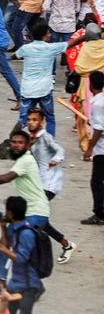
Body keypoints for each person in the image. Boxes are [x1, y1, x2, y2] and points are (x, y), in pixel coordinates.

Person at [0, 130, 68, 289]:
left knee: (12, 246)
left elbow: (6, 178)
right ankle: (4, 282)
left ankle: (14, 283)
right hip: (31, 212)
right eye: (14, 142)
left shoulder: (26, 160)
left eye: (20, 142)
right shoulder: (22, 160)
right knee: (6, 243)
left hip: (36, 212)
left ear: (27, 145)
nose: (15, 145)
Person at [15, 19, 85, 134]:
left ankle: (16, 141)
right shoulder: (51, 48)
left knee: (23, 119)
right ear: (44, 36)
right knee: (50, 118)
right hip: (44, 89)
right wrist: (86, 35)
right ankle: (50, 144)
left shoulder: (25, 48)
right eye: (48, 33)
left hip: (28, 89)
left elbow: (16, 55)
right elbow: (72, 43)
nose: (50, 35)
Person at [25, 107, 76, 263]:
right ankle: (66, 244)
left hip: (50, 182)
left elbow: (59, 150)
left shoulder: (45, 137)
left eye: (35, 120)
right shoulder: (30, 136)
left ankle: (35, 252)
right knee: (40, 220)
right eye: (29, 119)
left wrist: (55, 160)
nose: (31, 122)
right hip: (39, 183)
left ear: (42, 121)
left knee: (34, 217)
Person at [81, 70, 104, 224]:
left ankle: (99, 214)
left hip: (102, 150)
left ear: (91, 86)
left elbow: (98, 129)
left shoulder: (97, 103)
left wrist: (89, 149)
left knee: (96, 182)